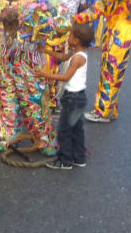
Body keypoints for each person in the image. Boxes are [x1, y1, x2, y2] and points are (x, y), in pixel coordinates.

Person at [0, 0, 66, 154]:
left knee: (35, 97)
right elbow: (5, 19)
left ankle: (43, 139)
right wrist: (7, 12)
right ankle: (7, 136)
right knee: (7, 96)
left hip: (32, 57)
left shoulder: (55, 4)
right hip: (10, 54)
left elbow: (62, 27)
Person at [36, 22, 94, 169]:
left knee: (64, 130)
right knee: (76, 130)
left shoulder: (77, 58)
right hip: (78, 98)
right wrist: (46, 51)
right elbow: (61, 56)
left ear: (76, 40)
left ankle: (65, 160)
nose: (67, 37)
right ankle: (79, 158)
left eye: (70, 35)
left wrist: (45, 74)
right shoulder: (76, 53)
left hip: (73, 99)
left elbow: (66, 77)